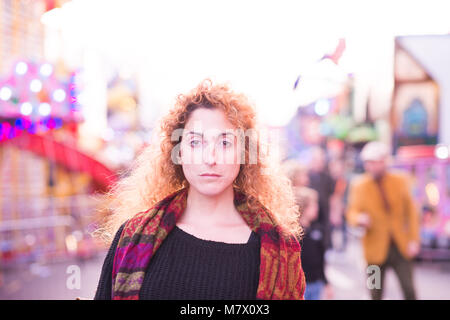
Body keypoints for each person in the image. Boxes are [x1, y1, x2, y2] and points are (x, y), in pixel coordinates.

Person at [94, 79, 306, 300]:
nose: (210, 158)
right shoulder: (133, 236)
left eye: (225, 143)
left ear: (244, 152)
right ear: (179, 152)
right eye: (195, 143)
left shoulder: (280, 250)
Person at [346, 141, 420, 300]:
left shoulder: (400, 181)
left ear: (384, 161)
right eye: (369, 163)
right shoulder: (359, 185)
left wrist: (414, 240)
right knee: (375, 292)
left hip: (400, 245)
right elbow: (352, 212)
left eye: (375, 162)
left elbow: (412, 213)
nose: (371, 167)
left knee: (409, 290)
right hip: (373, 250)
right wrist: (358, 218)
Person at [294, 186, 334, 300]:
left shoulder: (317, 230)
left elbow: (321, 260)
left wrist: (326, 283)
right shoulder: (293, 235)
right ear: (303, 207)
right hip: (300, 286)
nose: (317, 208)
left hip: (316, 283)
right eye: (313, 205)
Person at [307, 146, 336, 250]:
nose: (319, 163)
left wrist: (334, 213)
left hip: (324, 212)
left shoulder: (327, 177)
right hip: (311, 213)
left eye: (321, 160)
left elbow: (333, 196)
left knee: (324, 240)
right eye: (317, 160)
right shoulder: (306, 175)